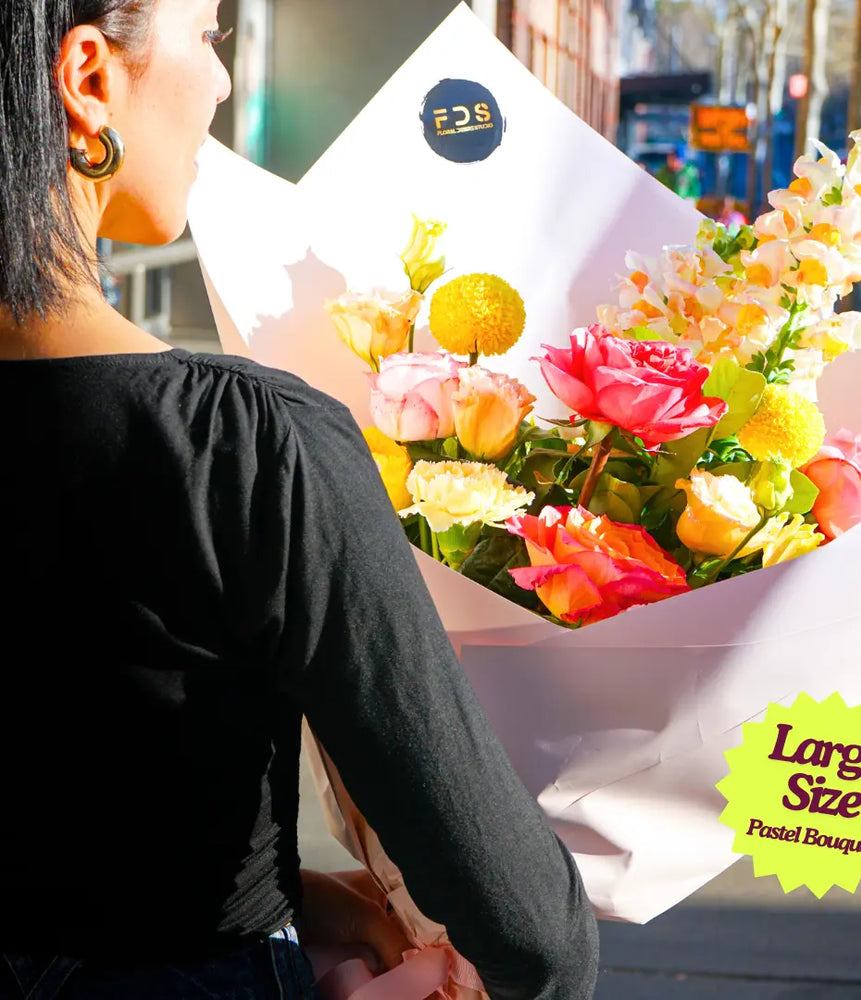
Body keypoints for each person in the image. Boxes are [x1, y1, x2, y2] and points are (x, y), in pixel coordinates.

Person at [0, 2, 600, 998]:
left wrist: (295, 889)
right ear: (90, 77)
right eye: (209, 35)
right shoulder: (246, 450)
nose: (224, 83)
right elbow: (527, 928)